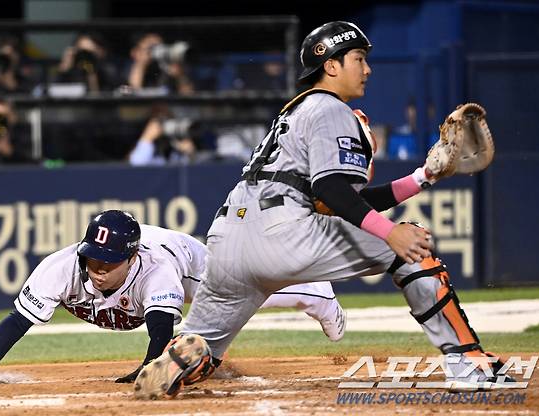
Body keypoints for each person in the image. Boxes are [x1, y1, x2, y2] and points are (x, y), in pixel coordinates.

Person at [134, 21, 513, 399]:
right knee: (413, 250)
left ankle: (185, 357)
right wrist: (390, 232)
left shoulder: (294, 111)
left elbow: (335, 197)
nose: (367, 69)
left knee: (204, 345)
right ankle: (467, 362)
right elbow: (331, 191)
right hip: (283, 232)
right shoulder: (331, 108)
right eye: (359, 59)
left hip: (228, 239)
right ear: (331, 66)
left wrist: (423, 177)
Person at [0, 210, 346, 387]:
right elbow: (17, 321)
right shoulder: (61, 267)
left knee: (249, 292)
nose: (99, 266)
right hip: (150, 266)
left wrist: (151, 368)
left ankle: (317, 295)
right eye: (94, 257)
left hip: (185, 260)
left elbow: (162, 325)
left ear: (130, 256)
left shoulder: (157, 267)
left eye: (110, 260)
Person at [126, 32, 194, 95]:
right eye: (151, 48)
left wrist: (179, 76)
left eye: (159, 46)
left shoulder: (167, 66)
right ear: (135, 52)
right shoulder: (126, 70)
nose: (156, 51)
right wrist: (141, 65)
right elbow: (132, 95)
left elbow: (189, 97)